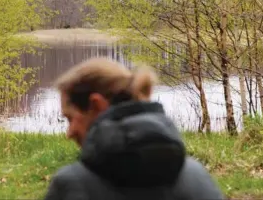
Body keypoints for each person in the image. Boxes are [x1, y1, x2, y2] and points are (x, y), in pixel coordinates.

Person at [44, 57, 224, 200]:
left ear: (96, 105)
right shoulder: (197, 175)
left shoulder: (72, 184)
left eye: (70, 118)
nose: (69, 133)